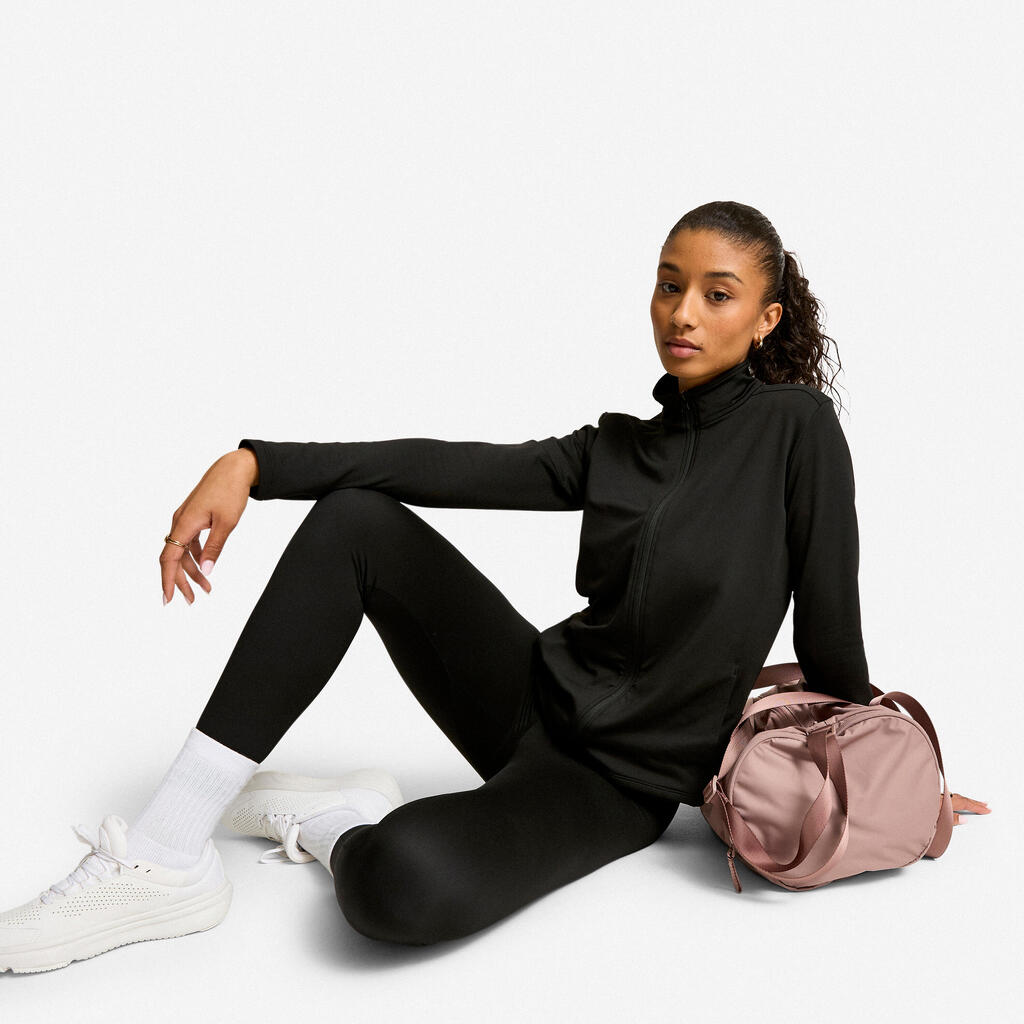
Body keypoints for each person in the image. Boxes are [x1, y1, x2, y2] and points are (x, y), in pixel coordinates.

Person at [0, 200, 989, 974]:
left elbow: (830, 641)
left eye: (716, 293)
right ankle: (167, 852)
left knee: (395, 883)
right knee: (356, 520)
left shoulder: (796, 431)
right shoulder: (616, 449)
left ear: (766, 317)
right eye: (668, 285)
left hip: (613, 787)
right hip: (524, 696)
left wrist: (895, 785)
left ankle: (335, 818)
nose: (682, 312)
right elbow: (444, 466)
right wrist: (254, 462)